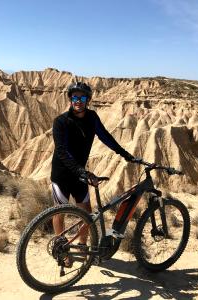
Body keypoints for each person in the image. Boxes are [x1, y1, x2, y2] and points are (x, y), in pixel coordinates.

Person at [51, 82, 135, 264]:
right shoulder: (61, 122)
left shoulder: (92, 118)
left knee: (86, 213)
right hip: (62, 174)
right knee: (59, 211)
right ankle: (62, 249)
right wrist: (81, 171)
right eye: (74, 97)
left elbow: (105, 136)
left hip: (80, 174)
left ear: (88, 100)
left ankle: (82, 247)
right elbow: (61, 151)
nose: (78, 101)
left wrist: (124, 153)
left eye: (82, 98)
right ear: (70, 99)